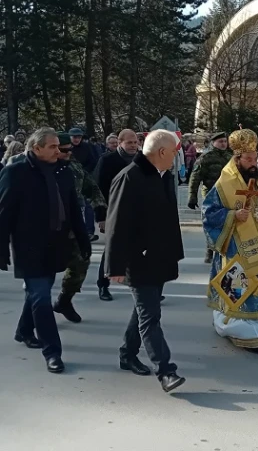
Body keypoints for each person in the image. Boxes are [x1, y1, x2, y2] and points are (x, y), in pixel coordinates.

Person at [0, 127, 91, 374]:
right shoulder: (15, 172)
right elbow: (4, 213)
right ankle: (53, 352)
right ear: (36, 148)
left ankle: (24, 330)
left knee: (36, 293)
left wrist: (84, 240)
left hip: (56, 244)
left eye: (57, 146)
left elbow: (73, 209)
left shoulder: (63, 172)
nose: (57, 150)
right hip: (28, 247)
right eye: (51, 146)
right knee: (41, 297)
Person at [104, 129, 185, 393]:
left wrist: (175, 252)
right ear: (161, 152)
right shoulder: (129, 178)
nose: (176, 157)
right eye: (174, 152)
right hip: (138, 260)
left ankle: (127, 354)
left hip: (160, 258)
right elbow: (117, 225)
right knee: (150, 315)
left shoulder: (163, 175)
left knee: (144, 310)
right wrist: (114, 266)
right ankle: (166, 371)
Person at [203, 129, 258, 356]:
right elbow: (208, 213)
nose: (253, 163)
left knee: (257, 287)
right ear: (237, 160)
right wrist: (232, 216)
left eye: (254, 158)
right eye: (248, 159)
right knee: (239, 288)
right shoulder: (223, 184)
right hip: (236, 249)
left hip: (257, 247)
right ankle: (236, 325)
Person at [53, 133, 107, 324]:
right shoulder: (40, 170)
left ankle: (65, 300)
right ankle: (28, 323)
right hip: (46, 228)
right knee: (40, 279)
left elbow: (92, 189)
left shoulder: (74, 168)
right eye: (64, 150)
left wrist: (100, 211)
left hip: (72, 224)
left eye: (70, 149)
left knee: (81, 259)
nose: (68, 153)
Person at [93, 128, 139, 301]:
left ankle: (144, 287)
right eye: (129, 142)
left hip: (136, 213)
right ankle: (103, 285)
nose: (133, 146)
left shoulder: (141, 159)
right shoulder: (108, 160)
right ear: (120, 143)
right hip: (113, 212)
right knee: (112, 251)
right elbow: (98, 190)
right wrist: (101, 217)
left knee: (139, 251)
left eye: (135, 142)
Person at [188, 132, 232, 263]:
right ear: (214, 143)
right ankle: (210, 250)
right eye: (220, 142)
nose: (223, 144)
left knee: (226, 223)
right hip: (210, 195)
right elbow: (195, 177)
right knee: (211, 223)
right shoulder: (206, 157)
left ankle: (224, 250)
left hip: (228, 195)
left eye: (225, 141)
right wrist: (192, 196)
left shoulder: (231, 157)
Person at [69, 127, 101, 241]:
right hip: (70, 179)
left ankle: (89, 232)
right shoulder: (67, 148)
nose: (77, 139)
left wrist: (83, 172)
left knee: (88, 206)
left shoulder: (88, 147)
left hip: (85, 177)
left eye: (79, 137)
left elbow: (94, 161)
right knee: (74, 205)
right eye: (74, 137)